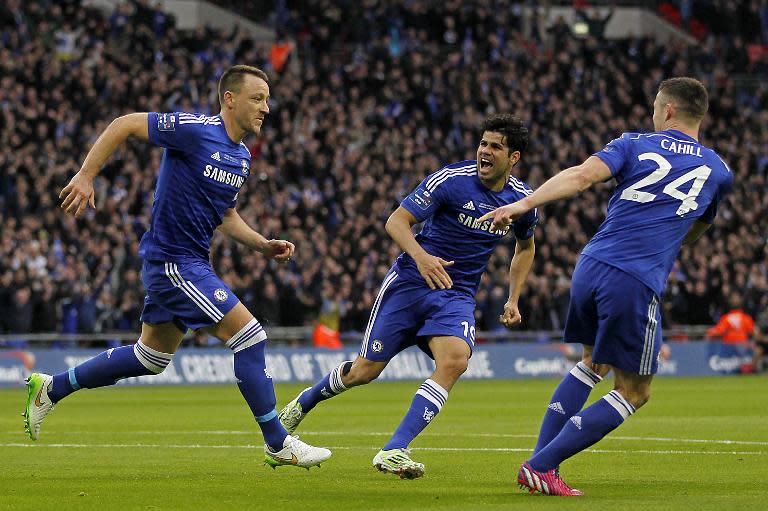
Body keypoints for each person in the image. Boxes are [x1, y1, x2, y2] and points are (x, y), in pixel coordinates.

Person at [23, 64, 331, 469]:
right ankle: (278, 442)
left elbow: (226, 215)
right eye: (258, 98)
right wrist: (86, 175)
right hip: (173, 262)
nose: (266, 108)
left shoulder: (240, 157)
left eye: (268, 99)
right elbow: (125, 124)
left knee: (150, 357)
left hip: (191, 262)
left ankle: (51, 388)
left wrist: (261, 244)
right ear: (230, 99)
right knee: (251, 336)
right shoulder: (194, 130)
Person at [480, 77, 733, 496]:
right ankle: (542, 465)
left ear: (668, 110)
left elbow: (581, 176)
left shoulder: (633, 143)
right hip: (634, 278)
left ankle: (540, 465)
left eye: (655, 105)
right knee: (635, 392)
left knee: (592, 363)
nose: (653, 113)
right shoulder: (720, 171)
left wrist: (524, 202)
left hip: (591, 263)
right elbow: (696, 229)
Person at [278, 114, 538, 479]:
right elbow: (396, 221)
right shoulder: (451, 181)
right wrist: (422, 257)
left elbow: (525, 248)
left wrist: (513, 298)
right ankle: (301, 404)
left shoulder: (523, 201)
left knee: (456, 360)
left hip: (455, 294)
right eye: (483, 143)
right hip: (410, 284)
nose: (485, 151)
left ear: (514, 158)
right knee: (363, 372)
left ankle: (394, 450)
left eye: (496, 146)